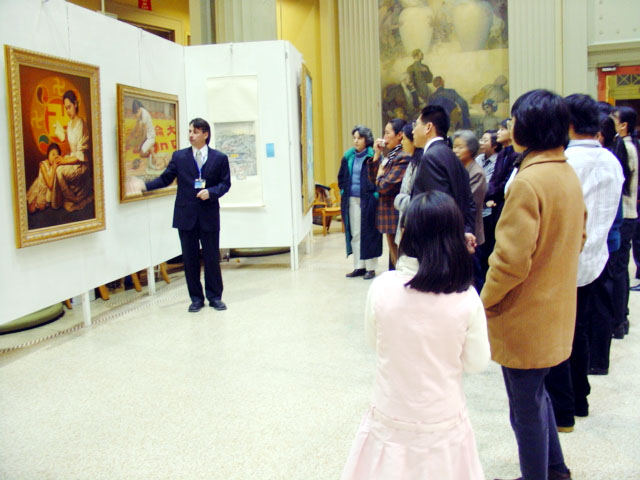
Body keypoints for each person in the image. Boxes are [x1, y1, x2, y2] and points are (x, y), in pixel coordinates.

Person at [340, 191, 490, 480]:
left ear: (406, 233)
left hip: (391, 412)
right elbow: (477, 363)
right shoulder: (466, 297)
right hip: (442, 417)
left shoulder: (382, 287)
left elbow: (375, 343)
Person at [481, 89, 586, 480]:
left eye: (513, 120)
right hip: (555, 310)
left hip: (524, 316)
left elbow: (510, 262)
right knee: (538, 398)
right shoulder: (566, 173)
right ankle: (556, 470)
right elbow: (579, 238)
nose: (509, 127)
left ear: (528, 127)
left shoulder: (528, 182)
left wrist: (483, 300)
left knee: (525, 410)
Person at [544, 94, 623, 432]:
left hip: (563, 260)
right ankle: (580, 398)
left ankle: (564, 407)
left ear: (569, 123)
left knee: (559, 336)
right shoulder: (611, 161)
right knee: (579, 330)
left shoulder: (566, 162)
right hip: (595, 258)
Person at [132, 118, 231, 313]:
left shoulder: (219, 158)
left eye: (195, 132)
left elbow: (225, 184)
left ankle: (215, 297)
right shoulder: (179, 157)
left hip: (209, 215)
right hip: (186, 216)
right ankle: (196, 299)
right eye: (190, 131)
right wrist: (145, 186)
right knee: (190, 259)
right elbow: (165, 179)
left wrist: (211, 192)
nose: (191, 135)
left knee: (211, 258)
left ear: (205, 134)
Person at [411, 105, 477, 252]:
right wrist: (466, 232)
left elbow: (438, 206)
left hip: (437, 245)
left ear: (428, 127)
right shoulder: (451, 155)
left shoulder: (431, 157)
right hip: (454, 240)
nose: (413, 131)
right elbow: (469, 203)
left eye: (416, 125)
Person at [588, 113, 624, 374]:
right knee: (601, 302)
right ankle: (598, 360)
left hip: (603, 243)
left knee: (599, 305)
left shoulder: (603, 162)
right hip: (607, 241)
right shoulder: (610, 160)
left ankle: (598, 361)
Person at [610, 106, 639, 338]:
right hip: (629, 214)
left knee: (619, 269)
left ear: (623, 125)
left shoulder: (625, 147)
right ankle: (622, 315)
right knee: (620, 268)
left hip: (626, 214)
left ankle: (619, 319)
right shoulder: (629, 145)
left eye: (613, 120)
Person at [338, 126, 382, 280]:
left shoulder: (373, 156)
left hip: (369, 200)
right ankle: (359, 266)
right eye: (354, 138)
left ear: (367, 140)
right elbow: (341, 177)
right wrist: (343, 191)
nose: (356, 141)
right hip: (352, 199)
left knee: (369, 233)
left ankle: (371, 268)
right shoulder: (348, 157)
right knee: (356, 233)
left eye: (359, 138)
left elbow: (379, 176)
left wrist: (375, 194)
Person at [372, 119, 410, 268]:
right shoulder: (391, 155)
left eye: (388, 133)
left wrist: (380, 175)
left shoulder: (403, 156)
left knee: (399, 258)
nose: (384, 137)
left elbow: (384, 186)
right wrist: (377, 155)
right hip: (388, 213)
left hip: (395, 214)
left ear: (399, 135)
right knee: (394, 257)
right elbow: (374, 180)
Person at [452, 130, 486, 290]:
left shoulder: (477, 173)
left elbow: (468, 203)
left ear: (471, 149)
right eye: (454, 147)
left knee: (474, 275)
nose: (455, 151)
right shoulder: (459, 169)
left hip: (472, 232)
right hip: (459, 229)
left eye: (460, 147)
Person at [52, 90, 93, 212]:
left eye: (69, 107)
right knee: (56, 164)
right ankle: (57, 200)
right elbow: (69, 149)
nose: (68, 111)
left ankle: (73, 199)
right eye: (66, 108)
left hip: (81, 163)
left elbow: (80, 155)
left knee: (59, 170)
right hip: (73, 158)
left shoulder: (81, 124)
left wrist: (64, 161)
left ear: (75, 104)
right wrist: (61, 135)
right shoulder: (70, 124)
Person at [476, 129, 501, 277]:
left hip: (487, 213)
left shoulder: (497, 162)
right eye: (481, 139)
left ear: (495, 145)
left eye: (485, 140)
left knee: (485, 251)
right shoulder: (479, 159)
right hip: (476, 210)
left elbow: (487, 186)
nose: (481, 142)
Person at [393, 124, 423, 246]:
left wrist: (399, 200)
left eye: (404, 139)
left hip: (413, 216)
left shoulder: (421, 162)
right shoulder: (412, 160)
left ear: (413, 141)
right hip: (405, 212)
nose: (402, 143)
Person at [26, 143, 62, 213]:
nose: (53, 158)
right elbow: (50, 185)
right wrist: (54, 168)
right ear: (48, 154)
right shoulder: (43, 165)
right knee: (32, 209)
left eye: (56, 156)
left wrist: (55, 167)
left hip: (48, 192)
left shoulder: (55, 166)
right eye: (52, 154)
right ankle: (35, 200)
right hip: (40, 189)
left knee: (44, 206)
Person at [130, 99, 157, 172]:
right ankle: (149, 149)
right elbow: (136, 126)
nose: (135, 116)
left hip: (150, 137)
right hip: (145, 136)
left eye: (136, 114)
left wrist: (139, 144)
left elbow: (144, 133)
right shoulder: (140, 112)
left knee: (141, 153)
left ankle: (151, 152)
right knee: (139, 148)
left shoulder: (144, 115)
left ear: (139, 110)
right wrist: (132, 135)